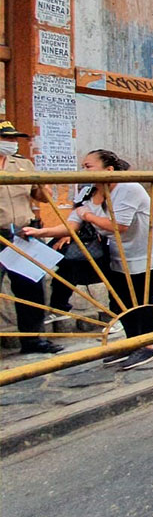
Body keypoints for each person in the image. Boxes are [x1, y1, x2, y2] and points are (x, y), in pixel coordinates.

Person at [26, 150, 153, 369]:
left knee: (143, 298)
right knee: (120, 301)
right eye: (83, 166)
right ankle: (132, 343)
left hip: (148, 250)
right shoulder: (85, 190)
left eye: (89, 166)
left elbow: (119, 227)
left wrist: (88, 215)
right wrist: (38, 232)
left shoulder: (128, 187)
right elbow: (72, 224)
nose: (83, 171)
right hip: (117, 253)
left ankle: (148, 346)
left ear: (109, 170)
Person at [0, 121, 61, 355]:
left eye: (14, 139)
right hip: (0, 233)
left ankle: (33, 340)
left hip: (23, 233)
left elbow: (41, 197)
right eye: (6, 139)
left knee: (31, 289)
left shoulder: (23, 164)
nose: (12, 144)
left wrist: (44, 185)